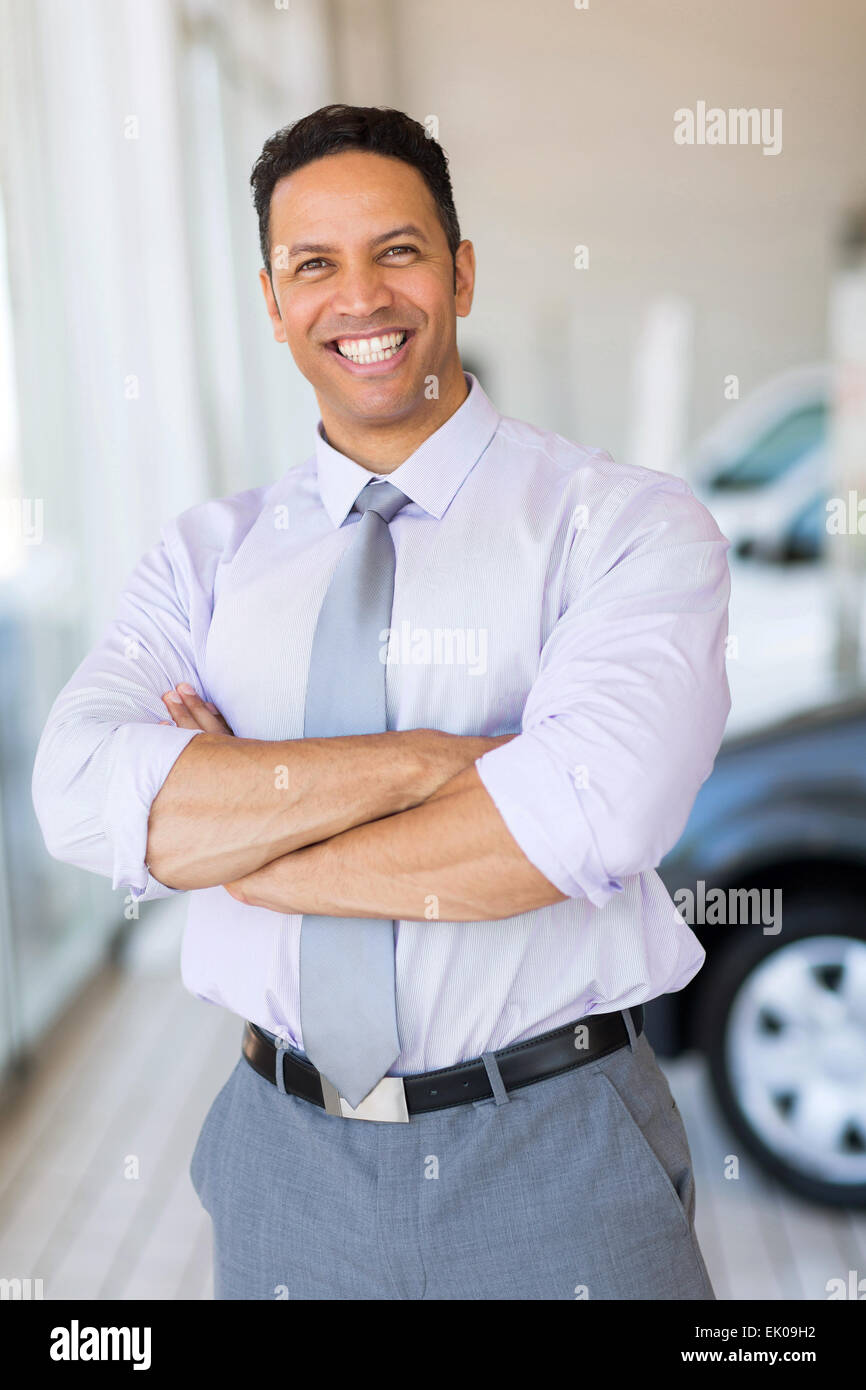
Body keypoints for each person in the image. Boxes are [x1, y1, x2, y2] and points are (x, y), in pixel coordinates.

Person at [32, 104, 731, 1301]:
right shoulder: (207, 557)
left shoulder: (622, 525)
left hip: (553, 1146)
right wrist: (436, 762)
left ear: (457, 270)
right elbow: (83, 801)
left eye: (396, 251)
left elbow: (582, 822)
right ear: (272, 299)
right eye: (314, 264)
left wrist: (237, 843)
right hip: (281, 1153)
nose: (359, 298)